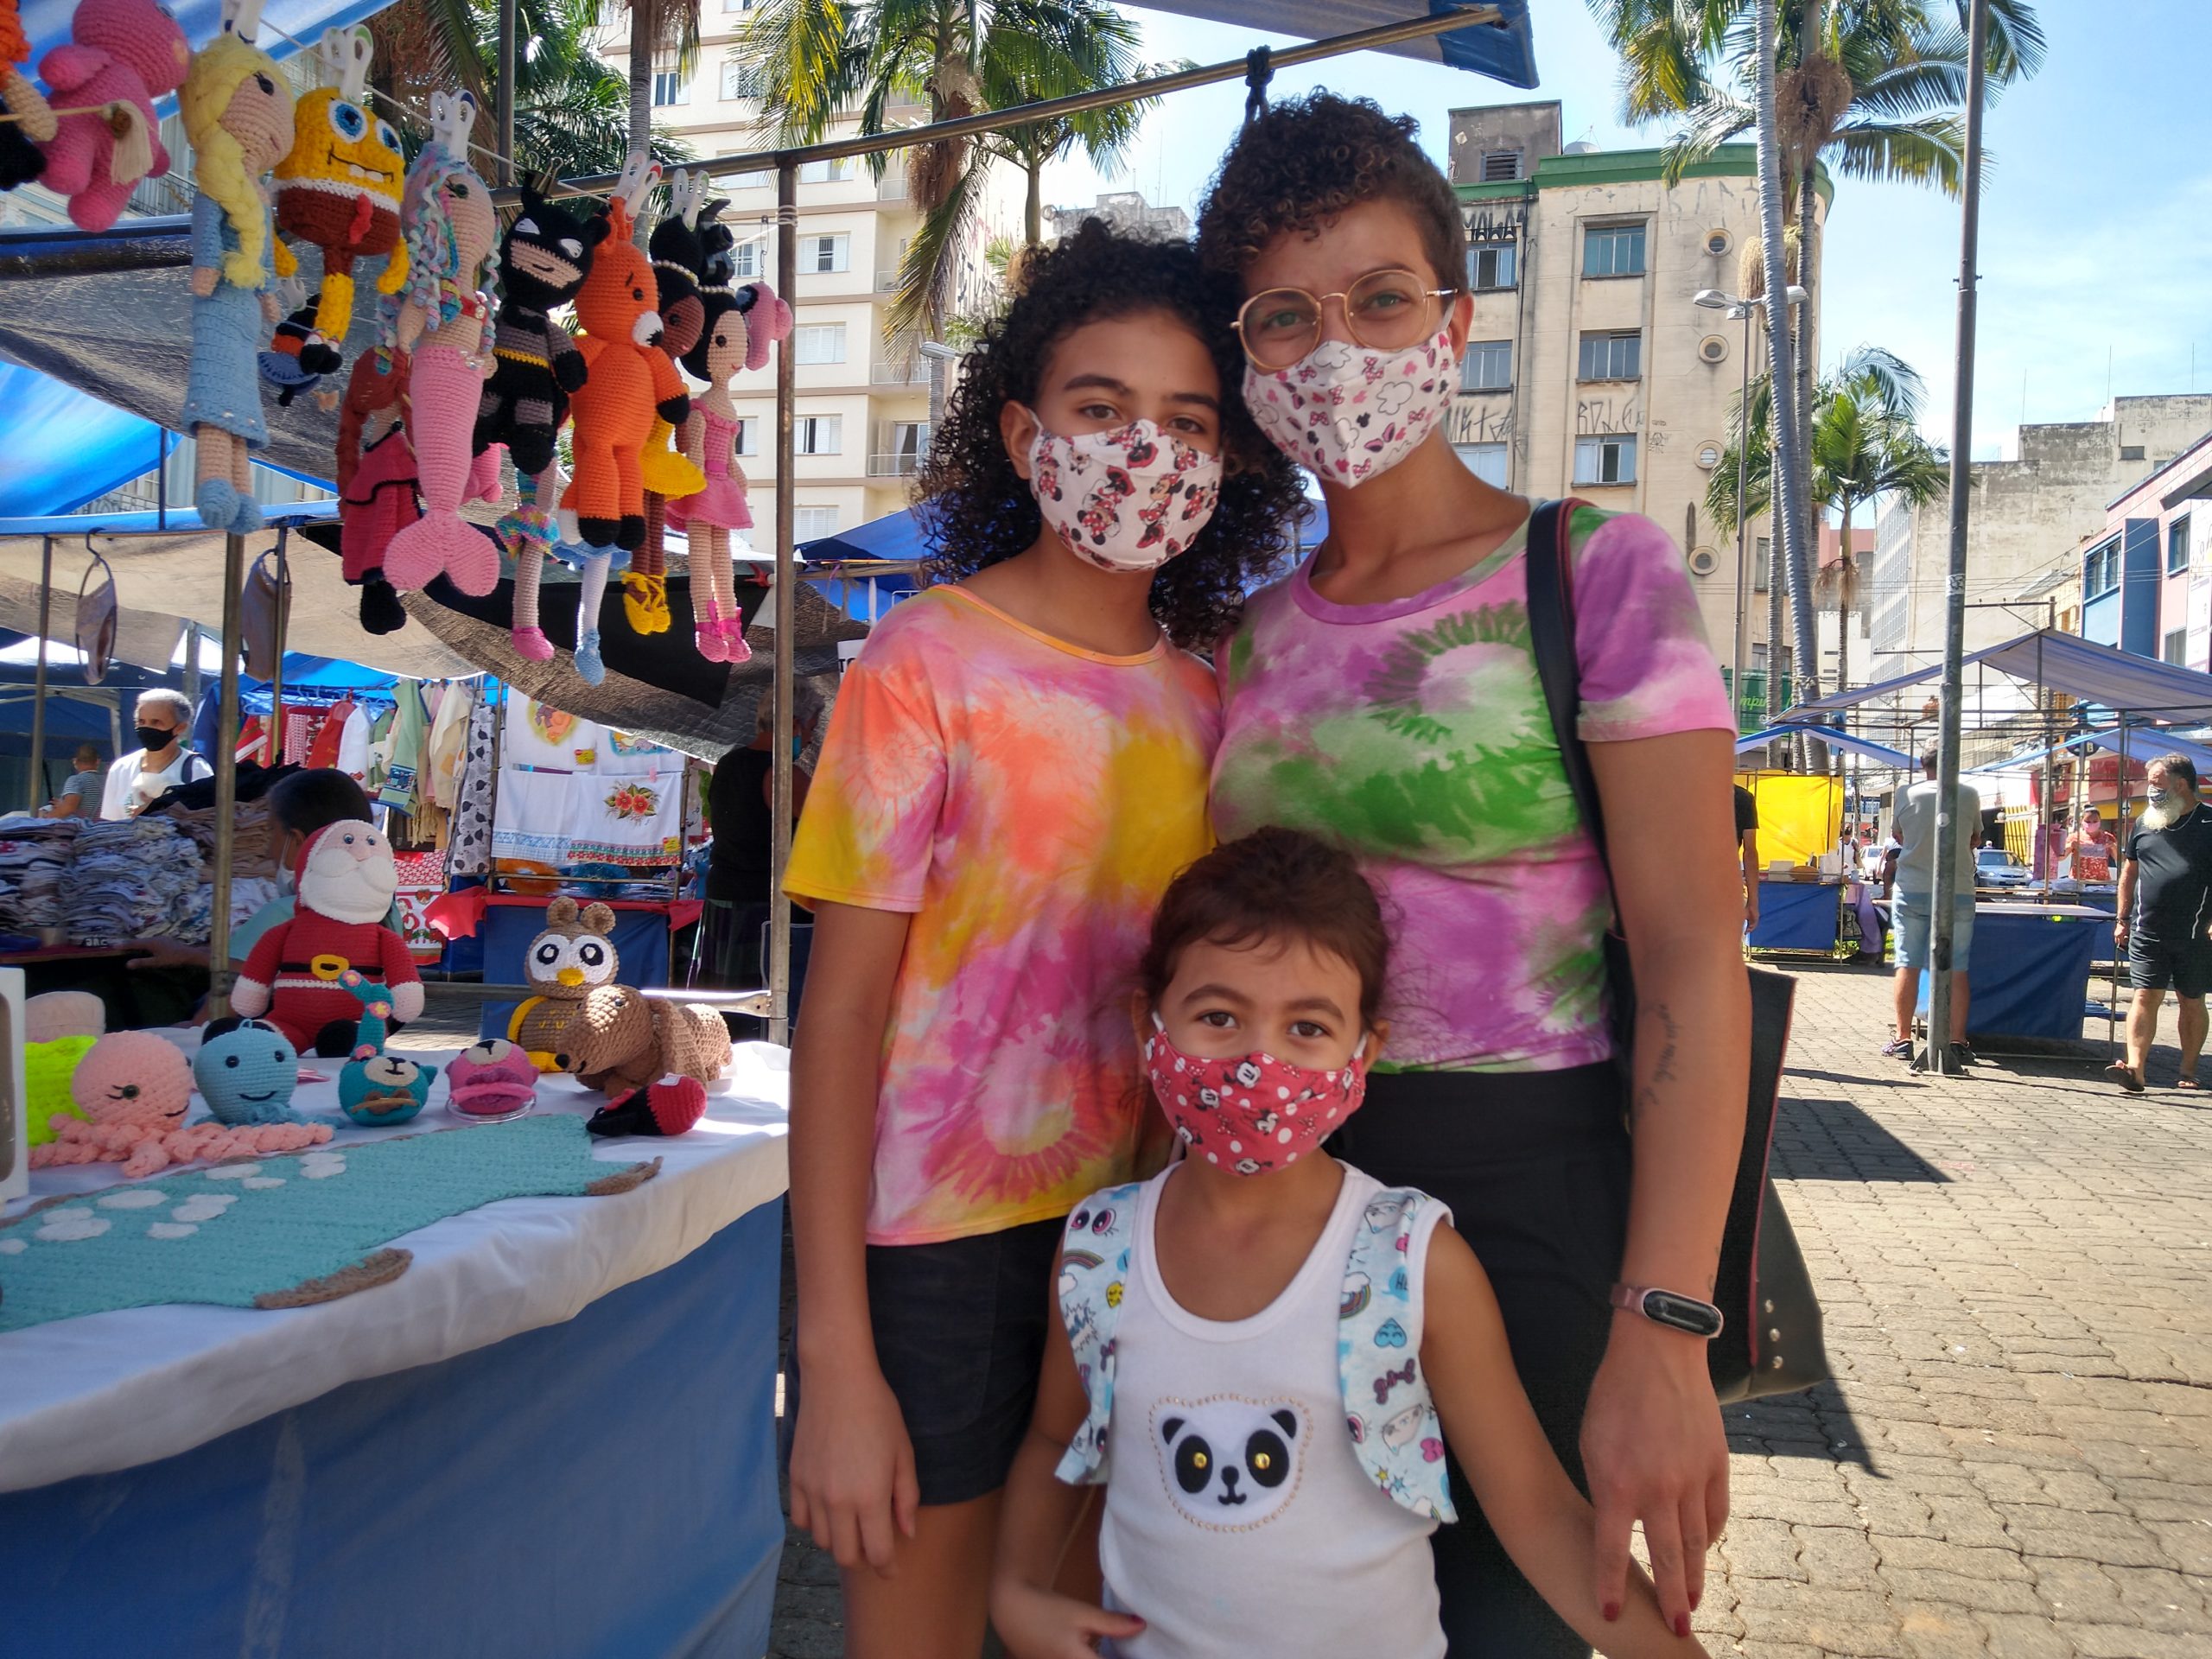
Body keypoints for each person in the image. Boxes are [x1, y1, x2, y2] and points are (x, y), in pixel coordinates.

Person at [1196, 94, 1748, 1655]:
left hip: (1537, 1199)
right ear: (1249, 358)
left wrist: (1664, 1326)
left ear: (1458, 317)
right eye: (1287, 314)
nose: (1341, 346)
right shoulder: (1243, 636)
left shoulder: (1597, 576)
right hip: (1280, 1187)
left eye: (1381, 298)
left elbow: (1695, 972)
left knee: (1524, 1623)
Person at [779, 222, 1307, 1658]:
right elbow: (837, 1021)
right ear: (1023, 434)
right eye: (1099, 409)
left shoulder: (1215, 707)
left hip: (1130, 1252)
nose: (1144, 450)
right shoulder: (919, 668)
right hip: (925, 1263)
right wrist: (835, 1358)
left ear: (1231, 459)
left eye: (1187, 421)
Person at [991, 830, 1706, 1659]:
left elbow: (1541, 1517)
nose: (1259, 1061)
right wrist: (1014, 1591)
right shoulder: (1099, 1250)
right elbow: (1057, 1439)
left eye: (1307, 1027)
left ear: (1363, 1053)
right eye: (1218, 1016)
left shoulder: (1411, 1260)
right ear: (1150, 1026)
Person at [702, 689, 819, 994]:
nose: (809, 741)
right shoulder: (785, 775)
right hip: (765, 910)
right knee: (766, 1003)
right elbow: (829, 833)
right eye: (811, 729)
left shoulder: (727, 763)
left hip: (724, 899)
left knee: (725, 1006)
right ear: (794, 725)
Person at [2109, 755, 2212, 1093]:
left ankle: (2189, 1069)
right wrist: (2122, 918)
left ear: (2180, 784)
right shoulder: (2145, 823)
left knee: (2190, 998)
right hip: (2146, 929)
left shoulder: (2209, 822)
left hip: (2195, 933)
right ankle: (2135, 1069)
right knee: (2144, 995)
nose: (2149, 788)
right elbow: (2129, 872)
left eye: (2155, 782)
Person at [1878, 747, 1981, 1065]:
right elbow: (1974, 839)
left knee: (1907, 962)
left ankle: (1903, 1037)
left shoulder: (1907, 793)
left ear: (1923, 766)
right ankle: (1957, 1040)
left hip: (1913, 888)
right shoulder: (1969, 794)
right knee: (1958, 967)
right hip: (1959, 889)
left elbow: (1898, 834)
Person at [99, 689, 212, 819]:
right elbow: (109, 822)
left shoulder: (197, 769)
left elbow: (206, 822)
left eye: (156, 722)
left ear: (180, 728)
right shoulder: (121, 768)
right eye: (141, 722)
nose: (147, 728)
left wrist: (156, 812)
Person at [41, 743, 106, 818]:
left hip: (82, 828)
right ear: (98, 761)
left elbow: (68, 809)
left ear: (74, 761)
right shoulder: (107, 781)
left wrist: (45, 817)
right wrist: (63, 804)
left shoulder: (76, 780)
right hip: (104, 826)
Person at [2064, 809, 2118, 883]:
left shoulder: (2108, 837)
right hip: (2078, 881)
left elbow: (2120, 859)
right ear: (2081, 821)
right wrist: (2070, 845)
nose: (2091, 824)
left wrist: (2113, 847)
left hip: (2102, 881)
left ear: (2100, 821)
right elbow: (2061, 857)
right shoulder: (2075, 837)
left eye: (2095, 821)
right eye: (2088, 821)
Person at [1735, 785, 1760, 930]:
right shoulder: (1743, 798)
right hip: (1726, 878)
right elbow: (1749, 851)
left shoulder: (1684, 796)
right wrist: (1753, 901)